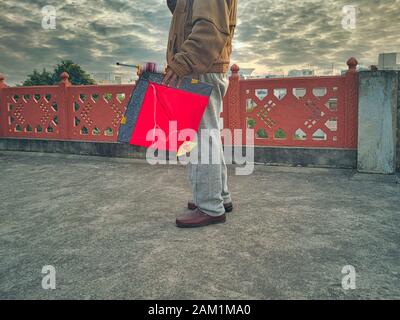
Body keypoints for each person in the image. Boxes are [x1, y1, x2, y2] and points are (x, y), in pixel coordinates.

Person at [162, 0, 237, 228]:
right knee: (208, 136)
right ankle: (220, 198)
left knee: (201, 138)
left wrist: (181, 63)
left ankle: (210, 206)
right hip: (204, 67)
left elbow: (210, 27)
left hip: (200, 69)